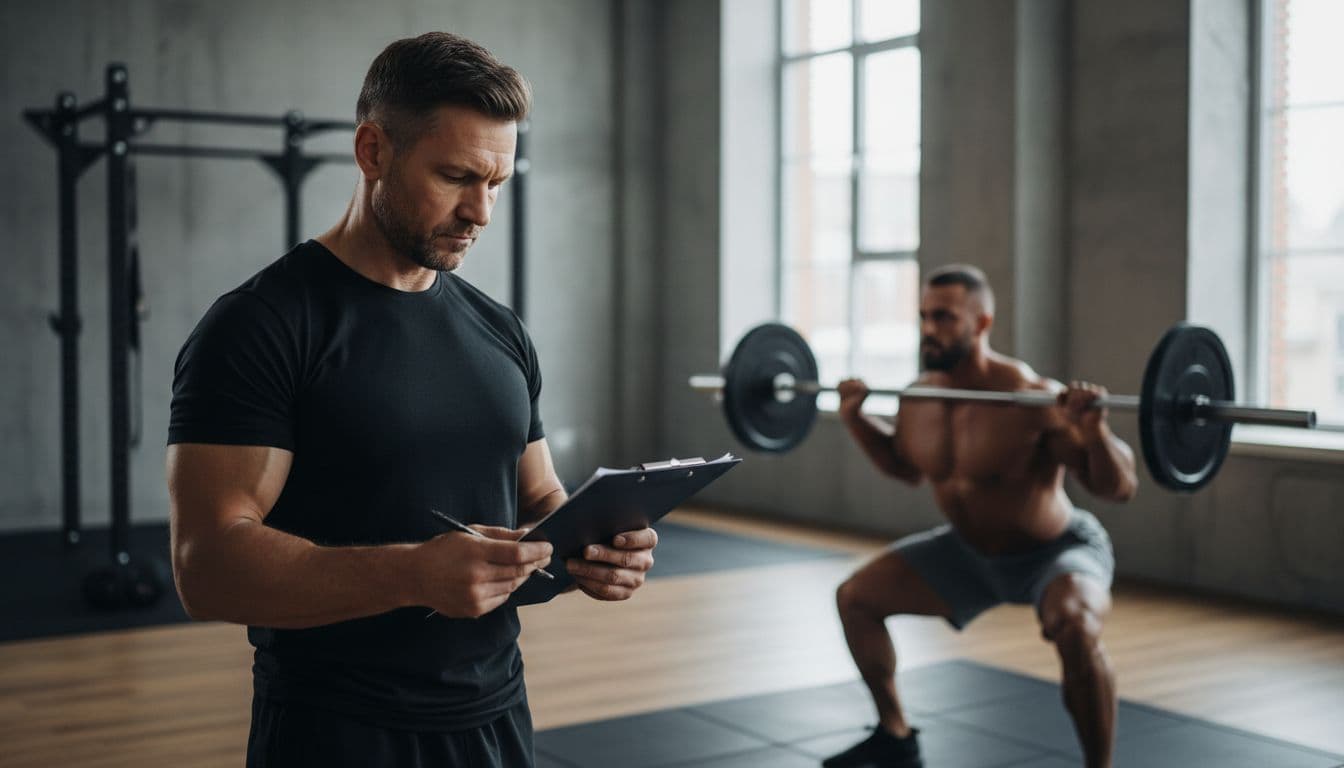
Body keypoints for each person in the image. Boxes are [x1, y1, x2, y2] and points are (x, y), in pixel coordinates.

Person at [166, 32, 657, 768]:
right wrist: (412, 573)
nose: (481, 212)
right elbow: (205, 567)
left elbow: (538, 496)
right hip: (337, 731)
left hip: (497, 717)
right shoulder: (261, 326)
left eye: (497, 182)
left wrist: (598, 544)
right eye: (457, 176)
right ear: (373, 152)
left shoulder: (499, 330)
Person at [823, 265, 1137, 768]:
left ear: (982, 322)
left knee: (1075, 625)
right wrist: (857, 420)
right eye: (924, 316)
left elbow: (1118, 487)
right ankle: (895, 735)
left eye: (944, 317)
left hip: (1055, 550)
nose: (928, 329)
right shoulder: (919, 397)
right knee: (856, 598)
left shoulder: (1030, 397)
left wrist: (1095, 432)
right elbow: (905, 469)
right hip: (968, 553)